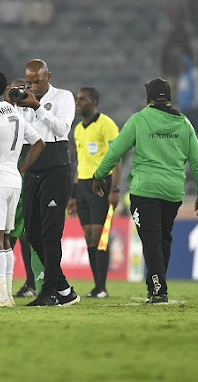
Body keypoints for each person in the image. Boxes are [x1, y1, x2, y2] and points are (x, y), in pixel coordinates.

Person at [92, 78, 198, 303]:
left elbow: (116, 151)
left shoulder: (139, 119)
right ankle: (155, 286)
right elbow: (197, 161)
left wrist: (98, 176)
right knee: (164, 240)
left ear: (148, 98)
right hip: (173, 192)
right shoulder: (184, 124)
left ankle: (158, 289)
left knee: (151, 241)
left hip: (145, 191)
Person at [0, 70, 45, 307]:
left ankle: (3, 297)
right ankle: (6, 297)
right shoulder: (14, 113)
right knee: (5, 239)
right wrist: (21, 168)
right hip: (14, 179)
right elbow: (39, 142)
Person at [15, 59, 79, 306]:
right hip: (31, 169)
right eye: (29, 82)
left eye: (38, 81)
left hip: (55, 168)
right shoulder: (23, 101)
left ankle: (50, 292)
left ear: (48, 76)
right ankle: (63, 288)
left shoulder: (63, 97)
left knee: (51, 235)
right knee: (32, 233)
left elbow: (62, 129)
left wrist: (37, 106)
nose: (34, 86)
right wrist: (17, 106)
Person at [66, 87, 121, 299]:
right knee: (89, 237)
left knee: (99, 237)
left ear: (94, 101)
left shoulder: (106, 125)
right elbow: (80, 163)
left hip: (102, 185)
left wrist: (114, 189)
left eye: (83, 99)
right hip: (82, 187)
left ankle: (102, 287)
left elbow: (116, 159)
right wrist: (72, 194)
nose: (78, 103)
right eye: (77, 99)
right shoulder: (78, 129)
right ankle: (97, 286)